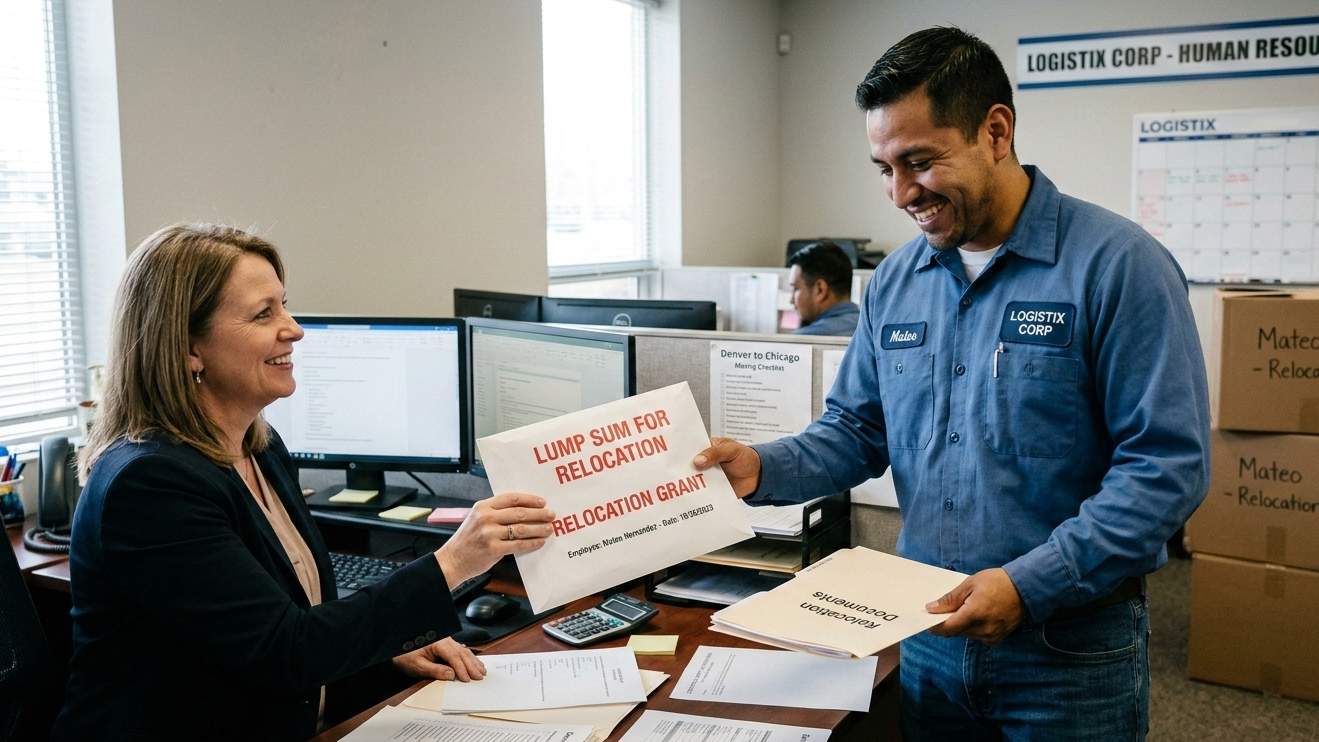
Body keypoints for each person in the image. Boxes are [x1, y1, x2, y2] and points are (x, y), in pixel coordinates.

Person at [695, 27, 1209, 740]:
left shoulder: (1119, 266)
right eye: (883, 167)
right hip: (929, 635)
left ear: (994, 131)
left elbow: (1165, 469)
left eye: (919, 162)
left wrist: (1030, 585)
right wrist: (760, 467)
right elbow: (857, 430)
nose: (900, 193)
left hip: (1067, 653)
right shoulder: (896, 283)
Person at [53, 224, 555, 741]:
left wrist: (387, 650)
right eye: (263, 313)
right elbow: (283, 652)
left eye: (284, 306)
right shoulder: (151, 485)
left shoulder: (261, 449)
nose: (293, 328)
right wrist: (453, 562)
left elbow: (298, 624)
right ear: (187, 348)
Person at [787, 241, 860, 336]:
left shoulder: (803, 341)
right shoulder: (871, 327)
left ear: (820, 290)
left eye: (796, 289)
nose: (791, 300)